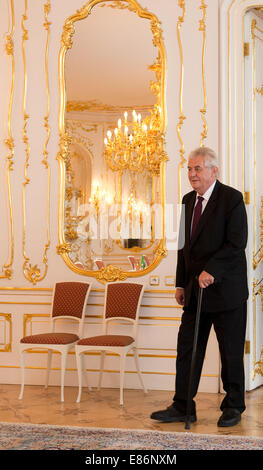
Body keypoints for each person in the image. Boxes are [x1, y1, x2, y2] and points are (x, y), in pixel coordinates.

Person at [151, 147, 248, 427]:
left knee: (230, 352)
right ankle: (183, 405)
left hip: (226, 292)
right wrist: (180, 283)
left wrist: (211, 271)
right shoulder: (185, 201)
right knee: (188, 350)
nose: (192, 174)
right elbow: (182, 248)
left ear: (213, 171)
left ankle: (233, 405)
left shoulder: (231, 199)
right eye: (190, 169)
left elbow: (236, 243)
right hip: (194, 292)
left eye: (198, 169)